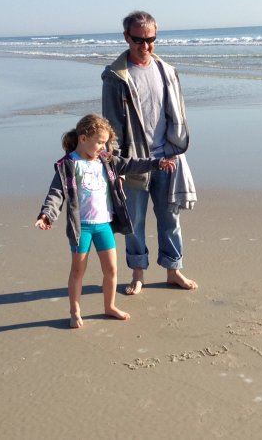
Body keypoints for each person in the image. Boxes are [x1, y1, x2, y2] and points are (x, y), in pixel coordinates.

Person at [35, 114, 176, 328]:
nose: (103, 147)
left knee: (111, 270)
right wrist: (47, 214)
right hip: (81, 228)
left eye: (105, 143)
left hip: (103, 225)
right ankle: (75, 312)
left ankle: (109, 306)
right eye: (100, 142)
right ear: (83, 139)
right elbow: (56, 194)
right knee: (78, 271)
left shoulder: (106, 160)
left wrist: (157, 163)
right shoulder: (68, 165)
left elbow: (131, 164)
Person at [101, 10, 198, 295]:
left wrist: (176, 148)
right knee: (134, 221)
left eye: (151, 39)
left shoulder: (166, 71)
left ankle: (173, 270)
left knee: (171, 218)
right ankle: (138, 273)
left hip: (167, 158)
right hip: (135, 162)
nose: (145, 45)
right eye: (138, 40)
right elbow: (111, 126)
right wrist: (116, 168)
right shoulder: (115, 77)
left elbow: (176, 113)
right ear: (126, 37)